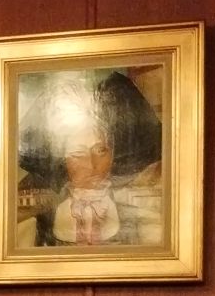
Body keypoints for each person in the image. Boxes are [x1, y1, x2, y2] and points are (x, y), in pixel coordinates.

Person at [16, 70, 164, 249]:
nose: (92, 165)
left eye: (101, 150)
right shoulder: (37, 224)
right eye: (78, 153)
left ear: (115, 153)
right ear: (62, 160)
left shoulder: (138, 219)